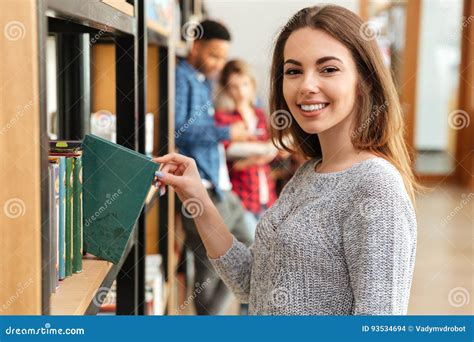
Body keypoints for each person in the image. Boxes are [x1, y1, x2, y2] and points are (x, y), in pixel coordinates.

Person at [154, 5, 419, 315]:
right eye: (293, 71)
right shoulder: (308, 173)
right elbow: (252, 284)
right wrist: (197, 195)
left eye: (328, 69)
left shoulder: (376, 187)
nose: (306, 85)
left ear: (365, 81)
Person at [172, 19, 253, 315]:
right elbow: (178, 129)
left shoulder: (205, 81)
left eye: (223, 57)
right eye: (214, 55)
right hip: (200, 188)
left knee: (249, 248)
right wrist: (226, 133)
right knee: (209, 271)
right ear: (195, 46)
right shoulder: (181, 76)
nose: (219, 64)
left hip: (220, 187)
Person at [215, 59, 278, 237]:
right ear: (226, 88)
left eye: (245, 84)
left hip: (265, 195)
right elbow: (229, 162)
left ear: (252, 84)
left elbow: (271, 152)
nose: (241, 92)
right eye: (234, 86)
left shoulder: (259, 114)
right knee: (250, 246)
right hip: (241, 197)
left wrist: (266, 152)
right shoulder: (223, 118)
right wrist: (260, 153)